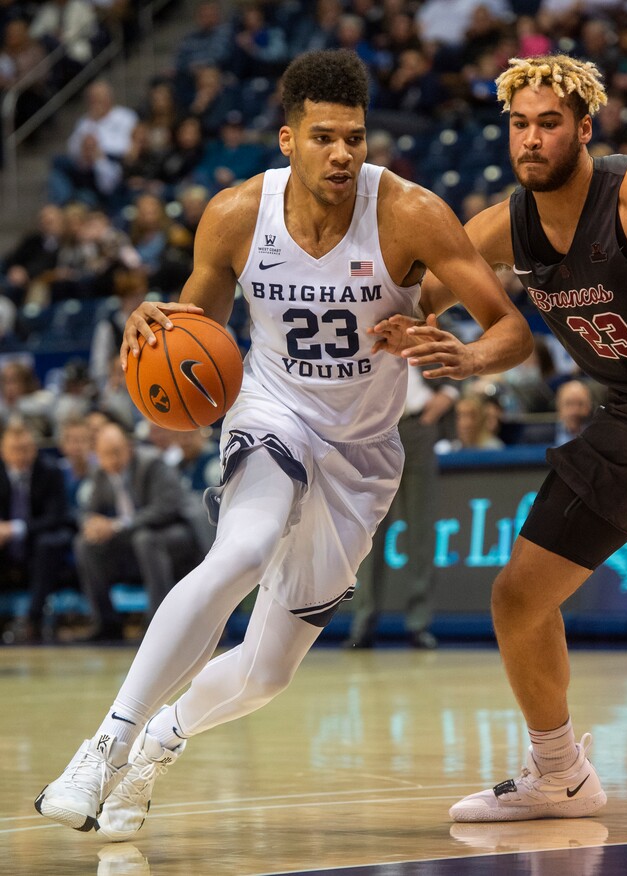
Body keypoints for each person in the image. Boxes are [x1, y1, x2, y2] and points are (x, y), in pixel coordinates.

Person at [34, 49, 531, 838]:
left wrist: (467, 356)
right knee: (240, 548)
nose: (343, 153)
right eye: (325, 137)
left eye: (356, 138)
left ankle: (157, 746)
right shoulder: (235, 214)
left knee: (267, 673)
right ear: (286, 139)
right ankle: (103, 745)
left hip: (364, 453)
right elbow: (189, 333)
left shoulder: (410, 212)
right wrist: (150, 324)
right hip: (273, 415)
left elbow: (512, 331)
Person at [371, 53, 627, 823]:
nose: (531, 139)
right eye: (519, 124)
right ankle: (561, 775)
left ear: (584, 130)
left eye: (549, 123)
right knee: (518, 598)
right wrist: (388, 326)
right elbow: (424, 291)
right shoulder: (503, 226)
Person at [344, 365, 459, 649]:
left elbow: (461, 358)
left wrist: (448, 393)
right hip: (374, 431)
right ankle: (363, 624)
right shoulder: (363, 324)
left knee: (421, 529)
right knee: (370, 532)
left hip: (417, 427)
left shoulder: (426, 322)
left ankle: (419, 624)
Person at [74, 421, 202, 641]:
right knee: (84, 544)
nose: (112, 460)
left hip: (177, 533)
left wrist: (115, 526)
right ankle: (107, 623)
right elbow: (88, 512)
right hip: (134, 539)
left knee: (145, 540)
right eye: (106, 454)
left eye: (117, 452)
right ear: (97, 455)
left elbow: (165, 508)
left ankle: (158, 624)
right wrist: (92, 525)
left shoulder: (151, 463)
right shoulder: (100, 474)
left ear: (128, 448)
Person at [0, 418, 73, 643]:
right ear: (3, 451)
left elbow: (56, 517)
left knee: (48, 542)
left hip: (37, 548)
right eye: (14, 449)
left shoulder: (50, 471)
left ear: (34, 449)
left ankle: (33, 620)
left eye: (25, 449)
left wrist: (14, 529)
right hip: (5, 551)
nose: (20, 455)